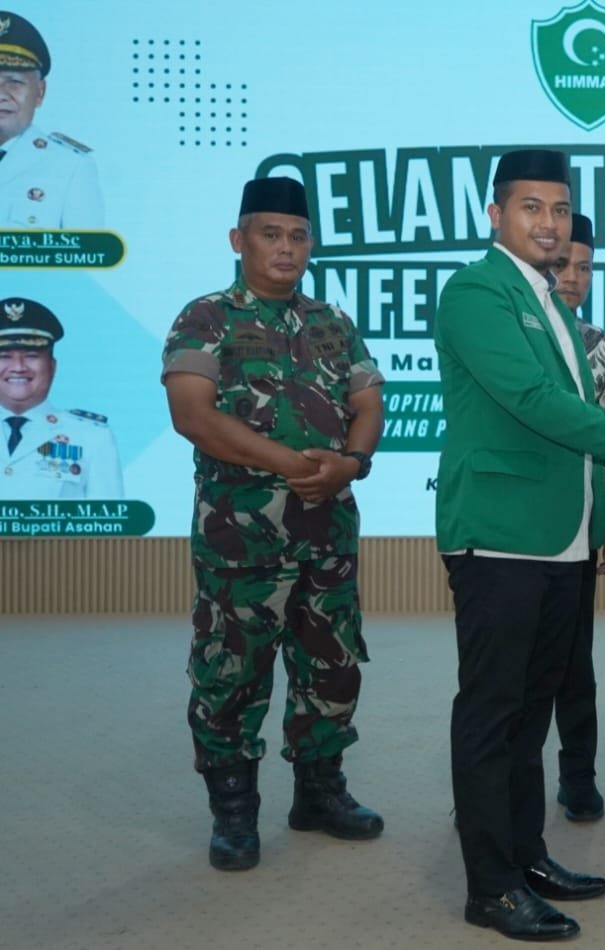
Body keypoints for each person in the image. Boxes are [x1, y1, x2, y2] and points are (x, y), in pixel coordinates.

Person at [433, 148, 605, 942]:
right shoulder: (476, 291)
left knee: (531, 715)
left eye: (559, 209)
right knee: (492, 713)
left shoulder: (550, 301)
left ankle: (526, 856)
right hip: (501, 535)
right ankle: (489, 887)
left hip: (559, 539)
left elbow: (579, 410)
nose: (549, 223)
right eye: (531, 207)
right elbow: (530, 400)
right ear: (496, 214)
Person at [161, 176, 386, 873]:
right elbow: (192, 415)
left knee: (332, 666)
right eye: (270, 234)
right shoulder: (207, 318)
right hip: (241, 539)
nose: (285, 248)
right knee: (232, 672)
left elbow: (369, 401)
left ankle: (320, 792)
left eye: (297, 236)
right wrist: (291, 463)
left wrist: (351, 462)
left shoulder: (332, 322)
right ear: (240, 240)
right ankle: (233, 810)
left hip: (328, 533)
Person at [549, 212, 605, 823]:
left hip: (581, 524)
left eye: (585, 268)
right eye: (563, 264)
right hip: (514, 526)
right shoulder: (510, 330)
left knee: (576, 662)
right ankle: (494, 786)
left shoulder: (601, 347)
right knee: (506, 670)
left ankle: (579, 777)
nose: (573, 277)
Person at [1, 296, 122, 498]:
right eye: (4, 357)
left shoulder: (92, 435)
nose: (18, 367)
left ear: (52, 366)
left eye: (31, 356)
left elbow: (107, 514)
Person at [0, 11, 104, 228]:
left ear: (40, 93)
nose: (1, 94)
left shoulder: (70, 167)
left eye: (15, 82)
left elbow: (85, 248)